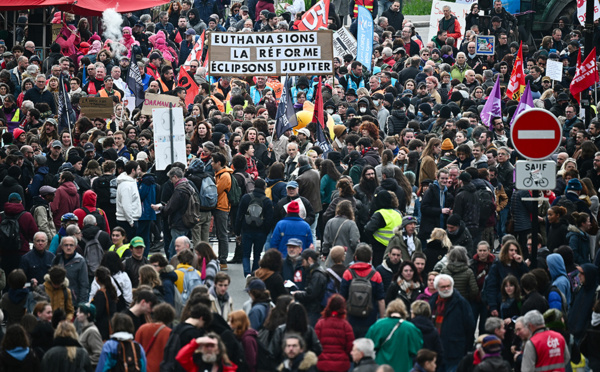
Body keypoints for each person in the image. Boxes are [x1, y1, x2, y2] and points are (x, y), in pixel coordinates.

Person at [429, 274, 475, 372]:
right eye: (443, 287)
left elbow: (470, 326)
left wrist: (466, 347)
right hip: (436, 350)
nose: (446, 289)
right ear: (437, 288)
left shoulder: (461, 303)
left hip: (455, 350)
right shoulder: (433, 301)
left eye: (448, 286)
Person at [340, 244, 386, 338]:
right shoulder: (376, 275)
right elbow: (380, 300)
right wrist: (382, 319)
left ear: (355, 257)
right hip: (370, 319)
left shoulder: (348, 273)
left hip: (351, 318)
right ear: (370, 258)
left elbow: (342, 297)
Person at [366, 299, 423, 371]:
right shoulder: (410, 328)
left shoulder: (378, 325)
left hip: (381, 367)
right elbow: (417, 349)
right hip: (403, 367)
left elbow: (368, 346)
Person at [235, 178, 274, 276]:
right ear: (264, 187)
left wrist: (237, 231)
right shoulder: (267, 201)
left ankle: (247, 273)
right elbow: (269, 219)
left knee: (246, 254)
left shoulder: (246, 198)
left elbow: (239, 215)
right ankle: (255, 274)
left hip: (247, 229)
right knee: (257, 254)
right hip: (261, 231)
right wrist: (266, 231)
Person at [314, 294, 355, 372]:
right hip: (341, 364)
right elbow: (350, 346)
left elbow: (316, 344)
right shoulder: (346, 325)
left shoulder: (320, 323)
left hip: (323, 363)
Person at [135, 303, 176, 372]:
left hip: (143, 367)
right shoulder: (170, 333)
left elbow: (136, 347)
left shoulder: (142, 328)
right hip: (160, 368)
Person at [292, 249, 328, 326]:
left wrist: (296, 294)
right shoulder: (314, 273)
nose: (302, 264)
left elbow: (311, 294)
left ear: (309, 259)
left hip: (314, 311)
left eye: (303, 261)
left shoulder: (317, 275)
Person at [51, 236, 89, 305]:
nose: (68, 247)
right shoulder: (57, 259)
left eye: (71, 245)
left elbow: (84, 284)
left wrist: (82, 304)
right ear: (61, 246)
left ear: (75, 247)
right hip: (56, 300)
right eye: (66, 245)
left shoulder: (80, 261)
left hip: (73, 301)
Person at [75, 303, 103, 369]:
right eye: (77, 311)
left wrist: (82, 362)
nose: (77, 314)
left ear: (88, 314)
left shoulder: (92, 331)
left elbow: (98, 355)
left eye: (80, 312)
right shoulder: (84, 330)